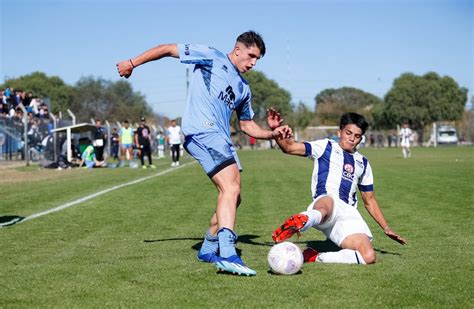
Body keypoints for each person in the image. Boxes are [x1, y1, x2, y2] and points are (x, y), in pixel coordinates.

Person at [116, 30, 291, 276]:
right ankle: (228, 253)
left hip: (221, 139)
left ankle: (208, 247)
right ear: (238, 49)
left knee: (234, 195)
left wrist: (272, 134)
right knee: (230, 188)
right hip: (201, 132)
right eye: (251, 56)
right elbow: (167, 49)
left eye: (257, 60)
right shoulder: (211, 56)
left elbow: (247, 126)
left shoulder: (244, 88)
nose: (253, 63)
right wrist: (132, 63)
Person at [272, 112, 406, 265]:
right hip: (325, 203)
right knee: (329, 203)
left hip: (348, 214)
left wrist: (386, 227)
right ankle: (304, 220)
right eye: (348, 133)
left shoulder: (363, 163)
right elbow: (289, 147)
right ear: (339, 132)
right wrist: (277, 130)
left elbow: (369, 200)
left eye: (357, 136)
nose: (351, 138)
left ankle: (315, 256)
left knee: (368, 256)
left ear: (361, 139)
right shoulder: (325, 146)